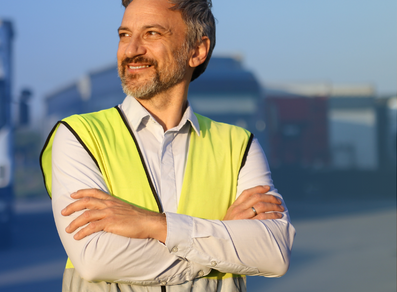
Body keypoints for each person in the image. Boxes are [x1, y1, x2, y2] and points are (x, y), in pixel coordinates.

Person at [40, 0, 296, 291]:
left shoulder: (239, 146)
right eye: (125, 34)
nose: (132, 49)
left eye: (152, 34)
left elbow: (274, 253)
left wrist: (154, 225)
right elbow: (96, 259)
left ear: (197, 51)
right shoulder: (78, 135)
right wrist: (220, 239)